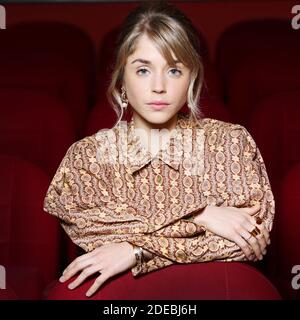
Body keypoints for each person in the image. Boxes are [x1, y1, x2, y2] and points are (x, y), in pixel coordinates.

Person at [43, 1, 275, 298]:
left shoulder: (230, 143)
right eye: (142, 70)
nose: (158, 86)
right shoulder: (87, 158)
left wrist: (136, 249)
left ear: (192, 78)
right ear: (121, 79)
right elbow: (94, 236)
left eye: (174, 70)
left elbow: (250, 242)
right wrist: (200, 216)